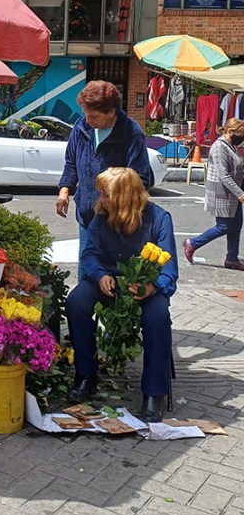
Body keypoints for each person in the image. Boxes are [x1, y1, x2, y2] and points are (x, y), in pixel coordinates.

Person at [65, 167, 177, 421]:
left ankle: (153, 392)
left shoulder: (159, 218)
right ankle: (86, 375)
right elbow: (90, 254)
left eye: (106, 194)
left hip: (146, 286)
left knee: (158, 317)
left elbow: (169, 270)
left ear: (125, 197)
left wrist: (152, 287)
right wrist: (100, 275)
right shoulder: (102, 217)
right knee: (76, 302)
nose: (101, 199)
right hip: (108, 280)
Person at [56, 80, 151, 258]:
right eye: (86, 114)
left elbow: (139, 180)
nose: (87, 120)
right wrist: (64, 190)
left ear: (111, 112)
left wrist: (112, 199)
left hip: (115, 222)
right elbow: (71, 163)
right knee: (86, 273)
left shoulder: (130, 132)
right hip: (86, 217)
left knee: (111, 278)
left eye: (93, 116)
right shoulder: (81, 127)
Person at [185, 118, 244, 271]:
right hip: (222, 193)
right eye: (241, 134)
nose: (242, 138)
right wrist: (240, 193)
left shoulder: (231, 145)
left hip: (233, 194)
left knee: (236, 225)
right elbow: (223, 174)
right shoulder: (219, 147)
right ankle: (194, 243)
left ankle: (232, 258)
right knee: (224, 226)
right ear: (230, 132)